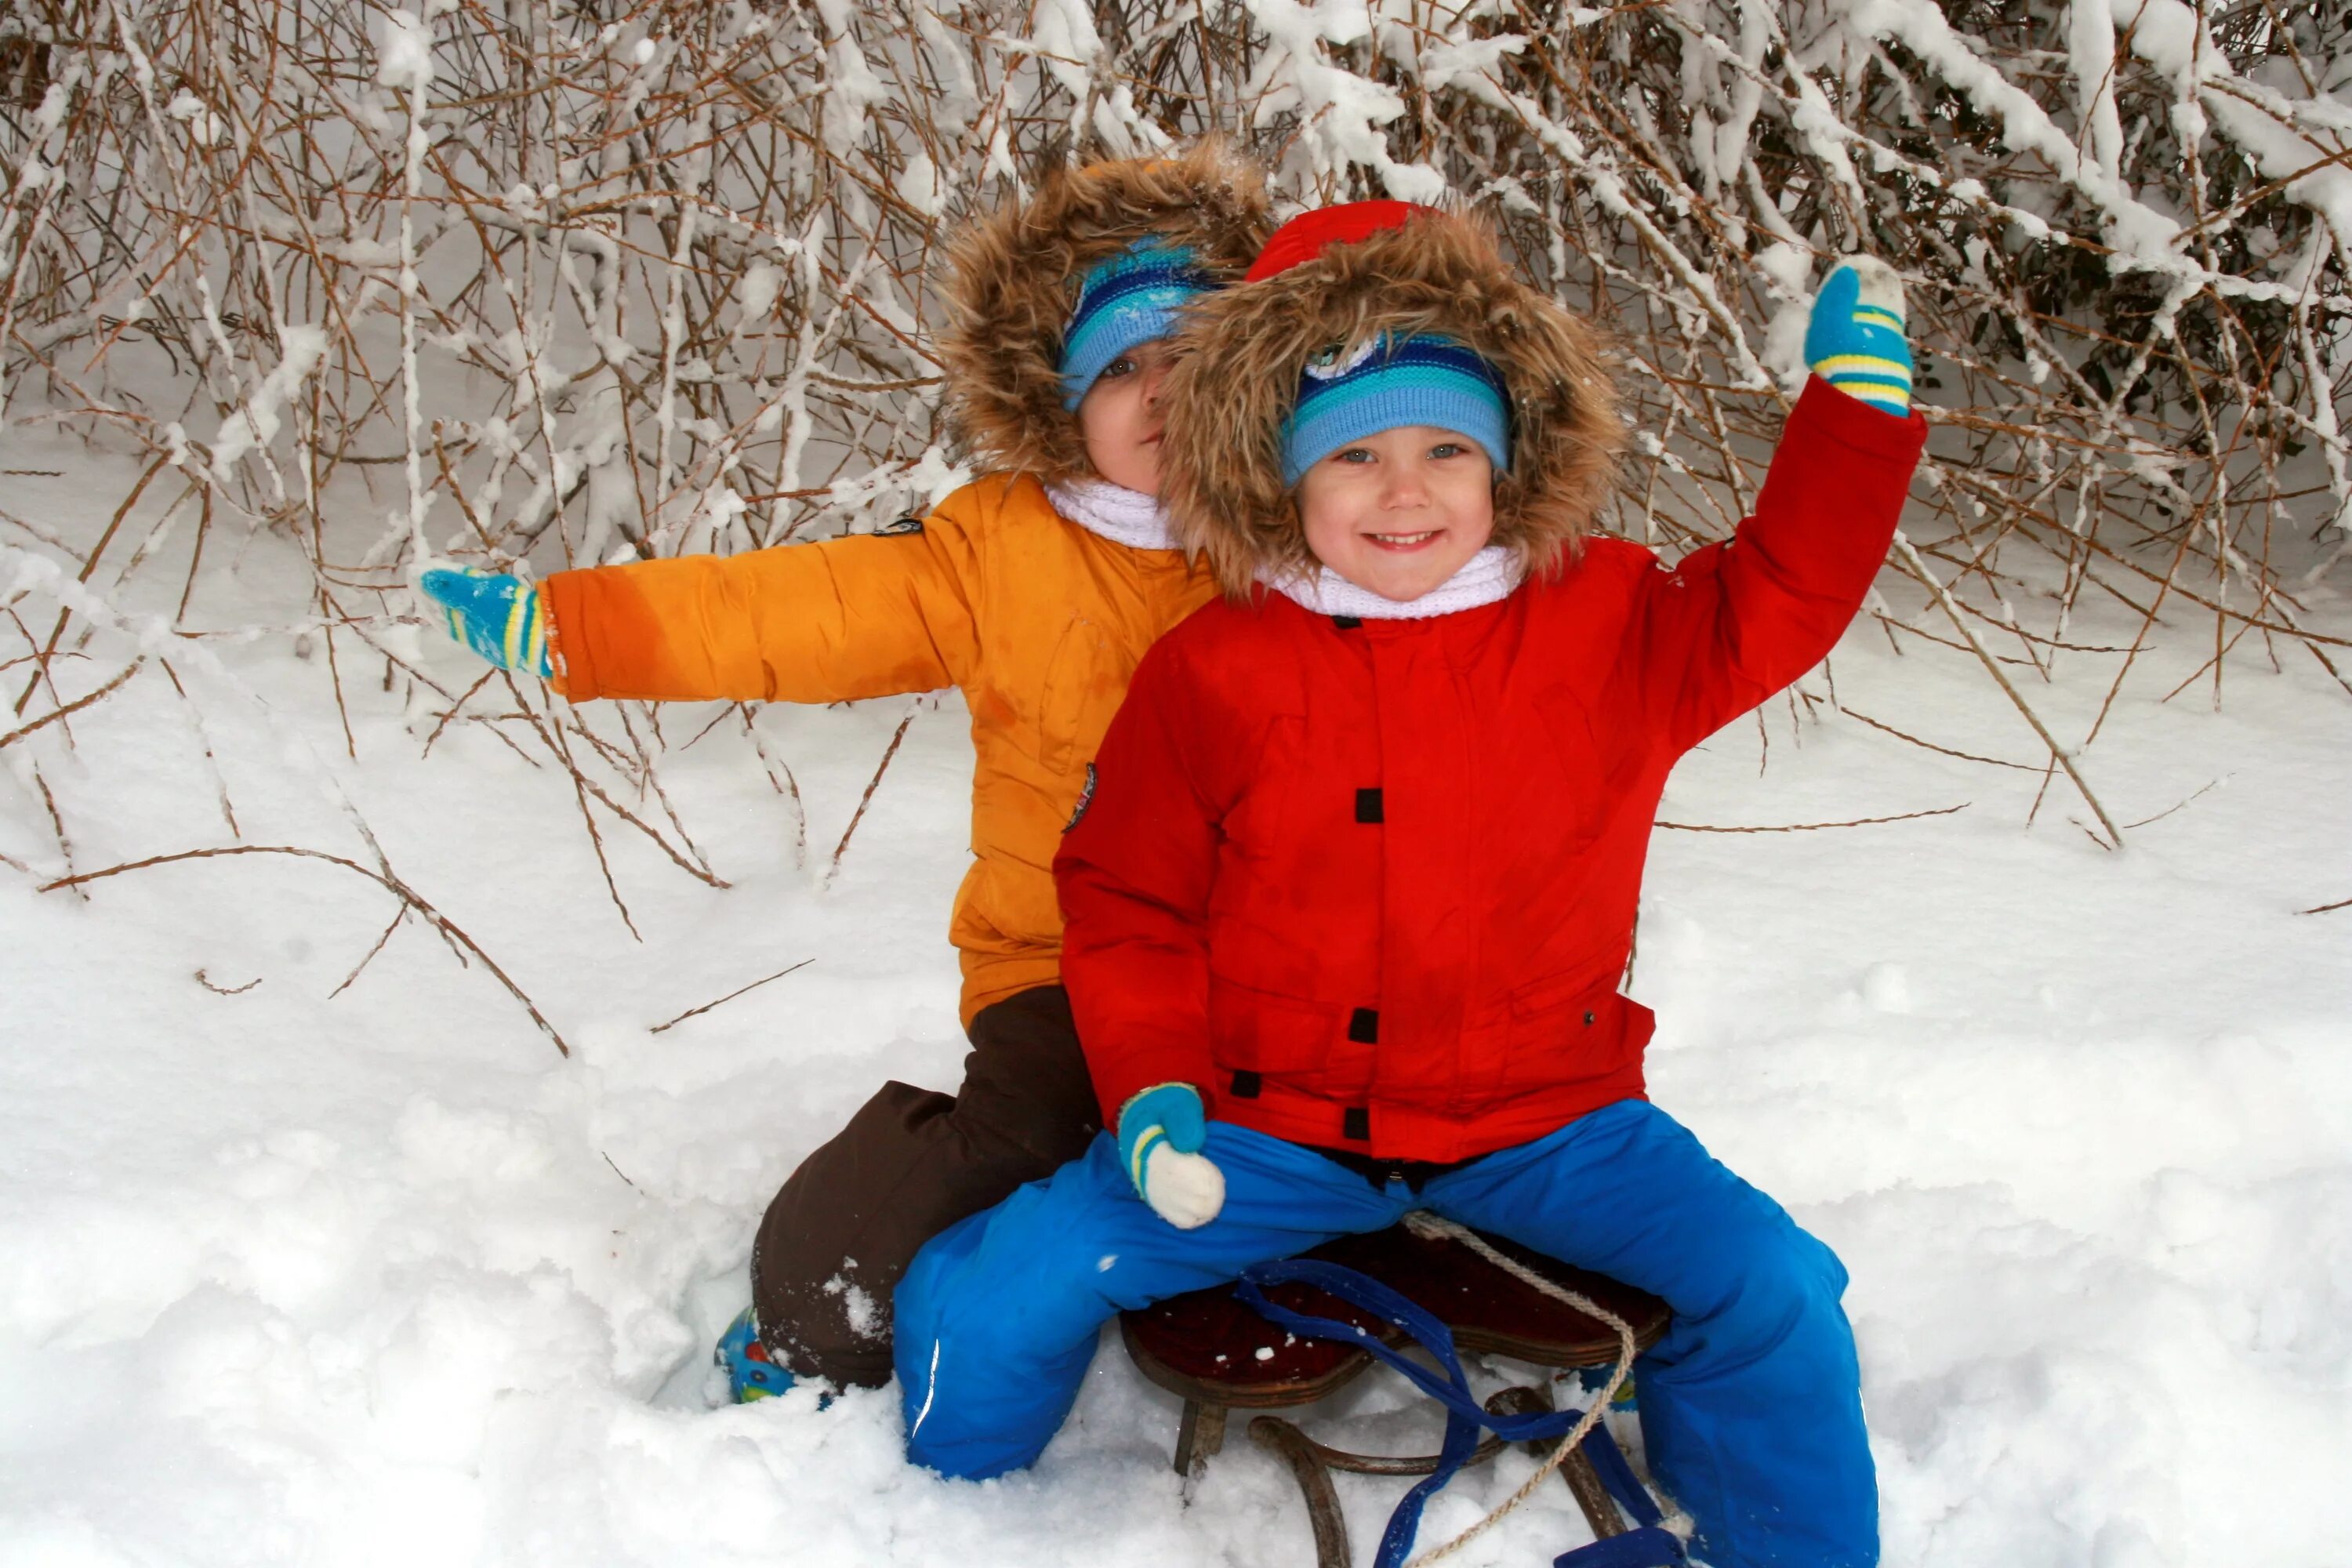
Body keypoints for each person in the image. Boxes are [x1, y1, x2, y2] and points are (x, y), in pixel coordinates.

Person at [889, 201, 1926, 1568]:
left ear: (1509, 462)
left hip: (1551, 1124)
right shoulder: (1215, 670)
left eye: (1447, 447)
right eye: (1357, 455)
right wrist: (1150, 1095)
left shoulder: (1612, 625)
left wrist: (1851, 424)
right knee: (1007, 1280)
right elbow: (1128, 899)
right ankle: (941, 1513)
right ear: (1279, 476)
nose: (1406, 491)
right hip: (1272, 1128)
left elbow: (1783, 590)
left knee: (1779, 1287)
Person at [417, 144, 1271, 1396]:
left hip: (1283, 955)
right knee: (1032, 1135)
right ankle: (816, 1304)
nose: (1159, 394)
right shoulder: (1000, 553)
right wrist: (586, 627)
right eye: (1122, 367)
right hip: (1064, 954)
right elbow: (798, 611)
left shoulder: (1322, 534)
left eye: (1192, 358)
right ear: (1060, 398)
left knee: (1351, 1141)